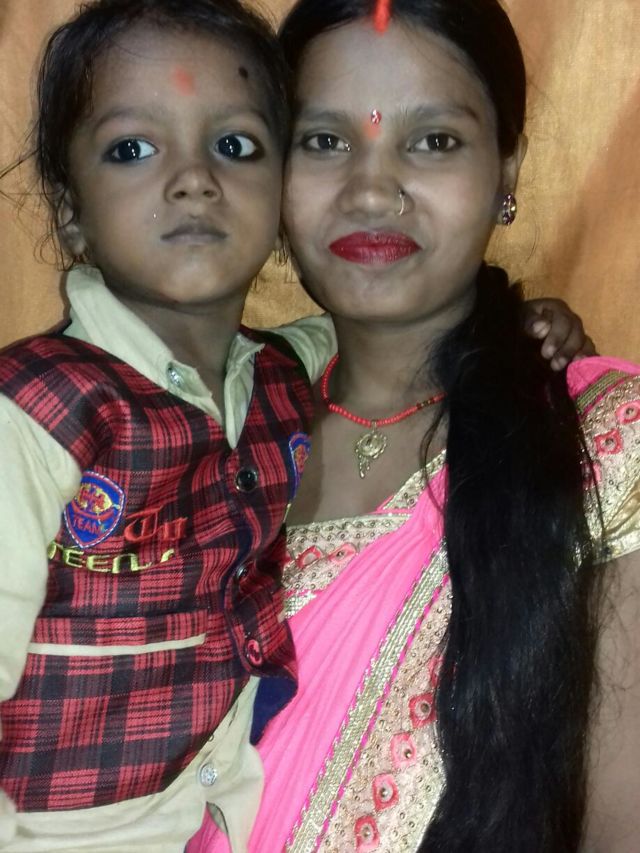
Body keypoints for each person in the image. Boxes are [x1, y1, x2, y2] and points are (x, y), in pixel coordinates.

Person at [187, 0, 640, 851]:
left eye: (433, 140)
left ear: (507, 168)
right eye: (325, 140)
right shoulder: (205, 431)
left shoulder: (606, 443)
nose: (371, 188)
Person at [0, 1, 339, 850]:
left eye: (236, 146)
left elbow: (379, 333)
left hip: (240, 810)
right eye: (132, 149)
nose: (194, 179)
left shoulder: (281, 373)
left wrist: (520, 326)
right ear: (70, 210)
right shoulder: (33, 415)